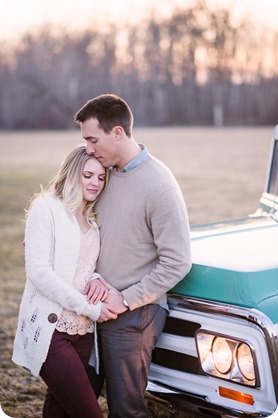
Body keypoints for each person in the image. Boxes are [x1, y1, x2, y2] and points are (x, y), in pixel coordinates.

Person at [75, 94, 192, 417]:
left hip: (132, 315)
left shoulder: (159, 185)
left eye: (92, 139)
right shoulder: (105, 174)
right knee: (72, 398)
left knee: (126, 409)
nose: (88, 149)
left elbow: (178, 261)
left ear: (117, 133)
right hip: (91, 307)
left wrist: (125, 300)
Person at [12, 144, 117, 418]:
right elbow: (39, 272)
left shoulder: (92, 217)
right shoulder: (46, 208)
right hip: (52, 329)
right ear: (72, 174)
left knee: (59, 409)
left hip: (82, 332)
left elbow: (80, 265)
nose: (95, 183)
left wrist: (97, 278)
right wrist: (90, 307)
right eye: (88, 175)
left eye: (101, 177)